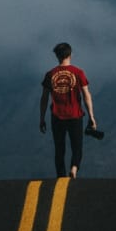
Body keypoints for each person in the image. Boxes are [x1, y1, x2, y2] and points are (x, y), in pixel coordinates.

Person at [39, 42, 96, 179]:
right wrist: (91, 116)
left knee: (59, 148)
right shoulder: (78, 73)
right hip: (75, 115)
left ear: (57, 56)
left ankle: (61, 176)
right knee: (77, 146)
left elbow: (44, 98)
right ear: (70, 55)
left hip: (57, 116)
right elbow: (86, 95)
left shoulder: (50, 74)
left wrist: (42, 118)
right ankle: (74, 168)